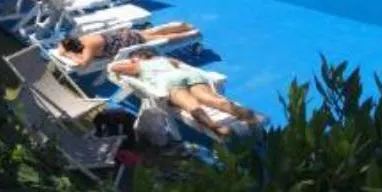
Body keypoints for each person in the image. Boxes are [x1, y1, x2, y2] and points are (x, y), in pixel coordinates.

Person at [109, 51, 262, 138]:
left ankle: (217, 128)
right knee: (210, 99)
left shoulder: (138, 65)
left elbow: (113, 68)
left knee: (191, 105)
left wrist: (132, 62)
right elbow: (179, 64)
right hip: (187, 75)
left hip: (168, 81)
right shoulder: (166, 59)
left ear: (137, 57)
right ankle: (245, 114)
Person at [57, 22, 198, 68]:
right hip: (124, 35)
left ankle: (188, 34)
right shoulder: (82, 39)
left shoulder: (89, 47)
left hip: (129, 40)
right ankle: (184, 26)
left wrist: (69, 54)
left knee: (159, 37)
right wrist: (66, 49)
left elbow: (84, 63)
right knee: (154, 32)